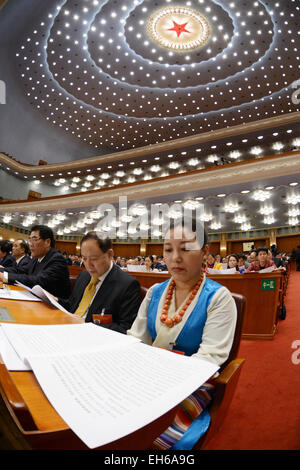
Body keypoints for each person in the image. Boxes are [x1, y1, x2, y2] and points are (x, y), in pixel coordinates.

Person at [127, 216, 237, 449]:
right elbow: (136, 340)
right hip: (147, 374)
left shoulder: (218, 298)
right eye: (168, 249)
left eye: (185, 249)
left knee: (154, 438)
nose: (175, 258)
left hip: (192, 382)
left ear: (205, 252)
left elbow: (209, 358)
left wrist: (162, 379)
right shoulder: (155, 292)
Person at [57, 231, 142, 334]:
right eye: (84, 258)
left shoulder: (128, 285)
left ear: (110, 254)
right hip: (66, 329)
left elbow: (125, 328)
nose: (88, 265)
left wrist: (85, 324)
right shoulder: (84, 276)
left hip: (93, 337)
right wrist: (54, 300)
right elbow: (72, 305)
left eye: (94, 259)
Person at [0, 225, 72, 298]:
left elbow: (38, 281)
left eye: (34, 239)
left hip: (54, 306)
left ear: (47, 242)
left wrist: (5, 277)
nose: (30, 244)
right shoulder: (36, 258)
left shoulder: (57, 259)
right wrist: (1, 271)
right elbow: (20, 270)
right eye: (30, 240)